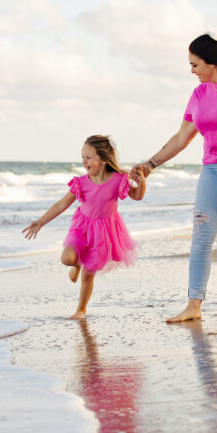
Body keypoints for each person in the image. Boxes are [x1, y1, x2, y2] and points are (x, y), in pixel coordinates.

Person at [131, 33, 217, 321]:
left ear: (211, 63)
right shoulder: (198, 95)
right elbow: (182, 136)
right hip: (213, 170)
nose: (192, 71)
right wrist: (150, 164)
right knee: (201, 236)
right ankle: (193, 305)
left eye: (195, 65)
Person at [23, 135, 146, 319]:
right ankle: (76, 264)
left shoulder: (118, 180)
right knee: (67, 259)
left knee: (89, 274)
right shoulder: (81, 183)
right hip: (82, 227)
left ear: (104, 159)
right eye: (82, 157)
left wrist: (142, 180)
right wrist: (40, 222)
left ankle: (81, 310)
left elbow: (137, 196)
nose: (84, 162)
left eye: (88, 157)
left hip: (104, 231)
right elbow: (61, 204)